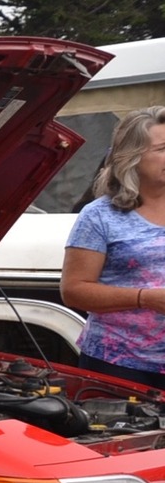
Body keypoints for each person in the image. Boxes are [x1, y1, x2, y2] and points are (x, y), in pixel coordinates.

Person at [60, 106, 165, 390]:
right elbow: (74, 290)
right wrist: (146, 298)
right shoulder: (99, 216)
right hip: (119, 363)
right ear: (132, 156)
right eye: (162, 148)